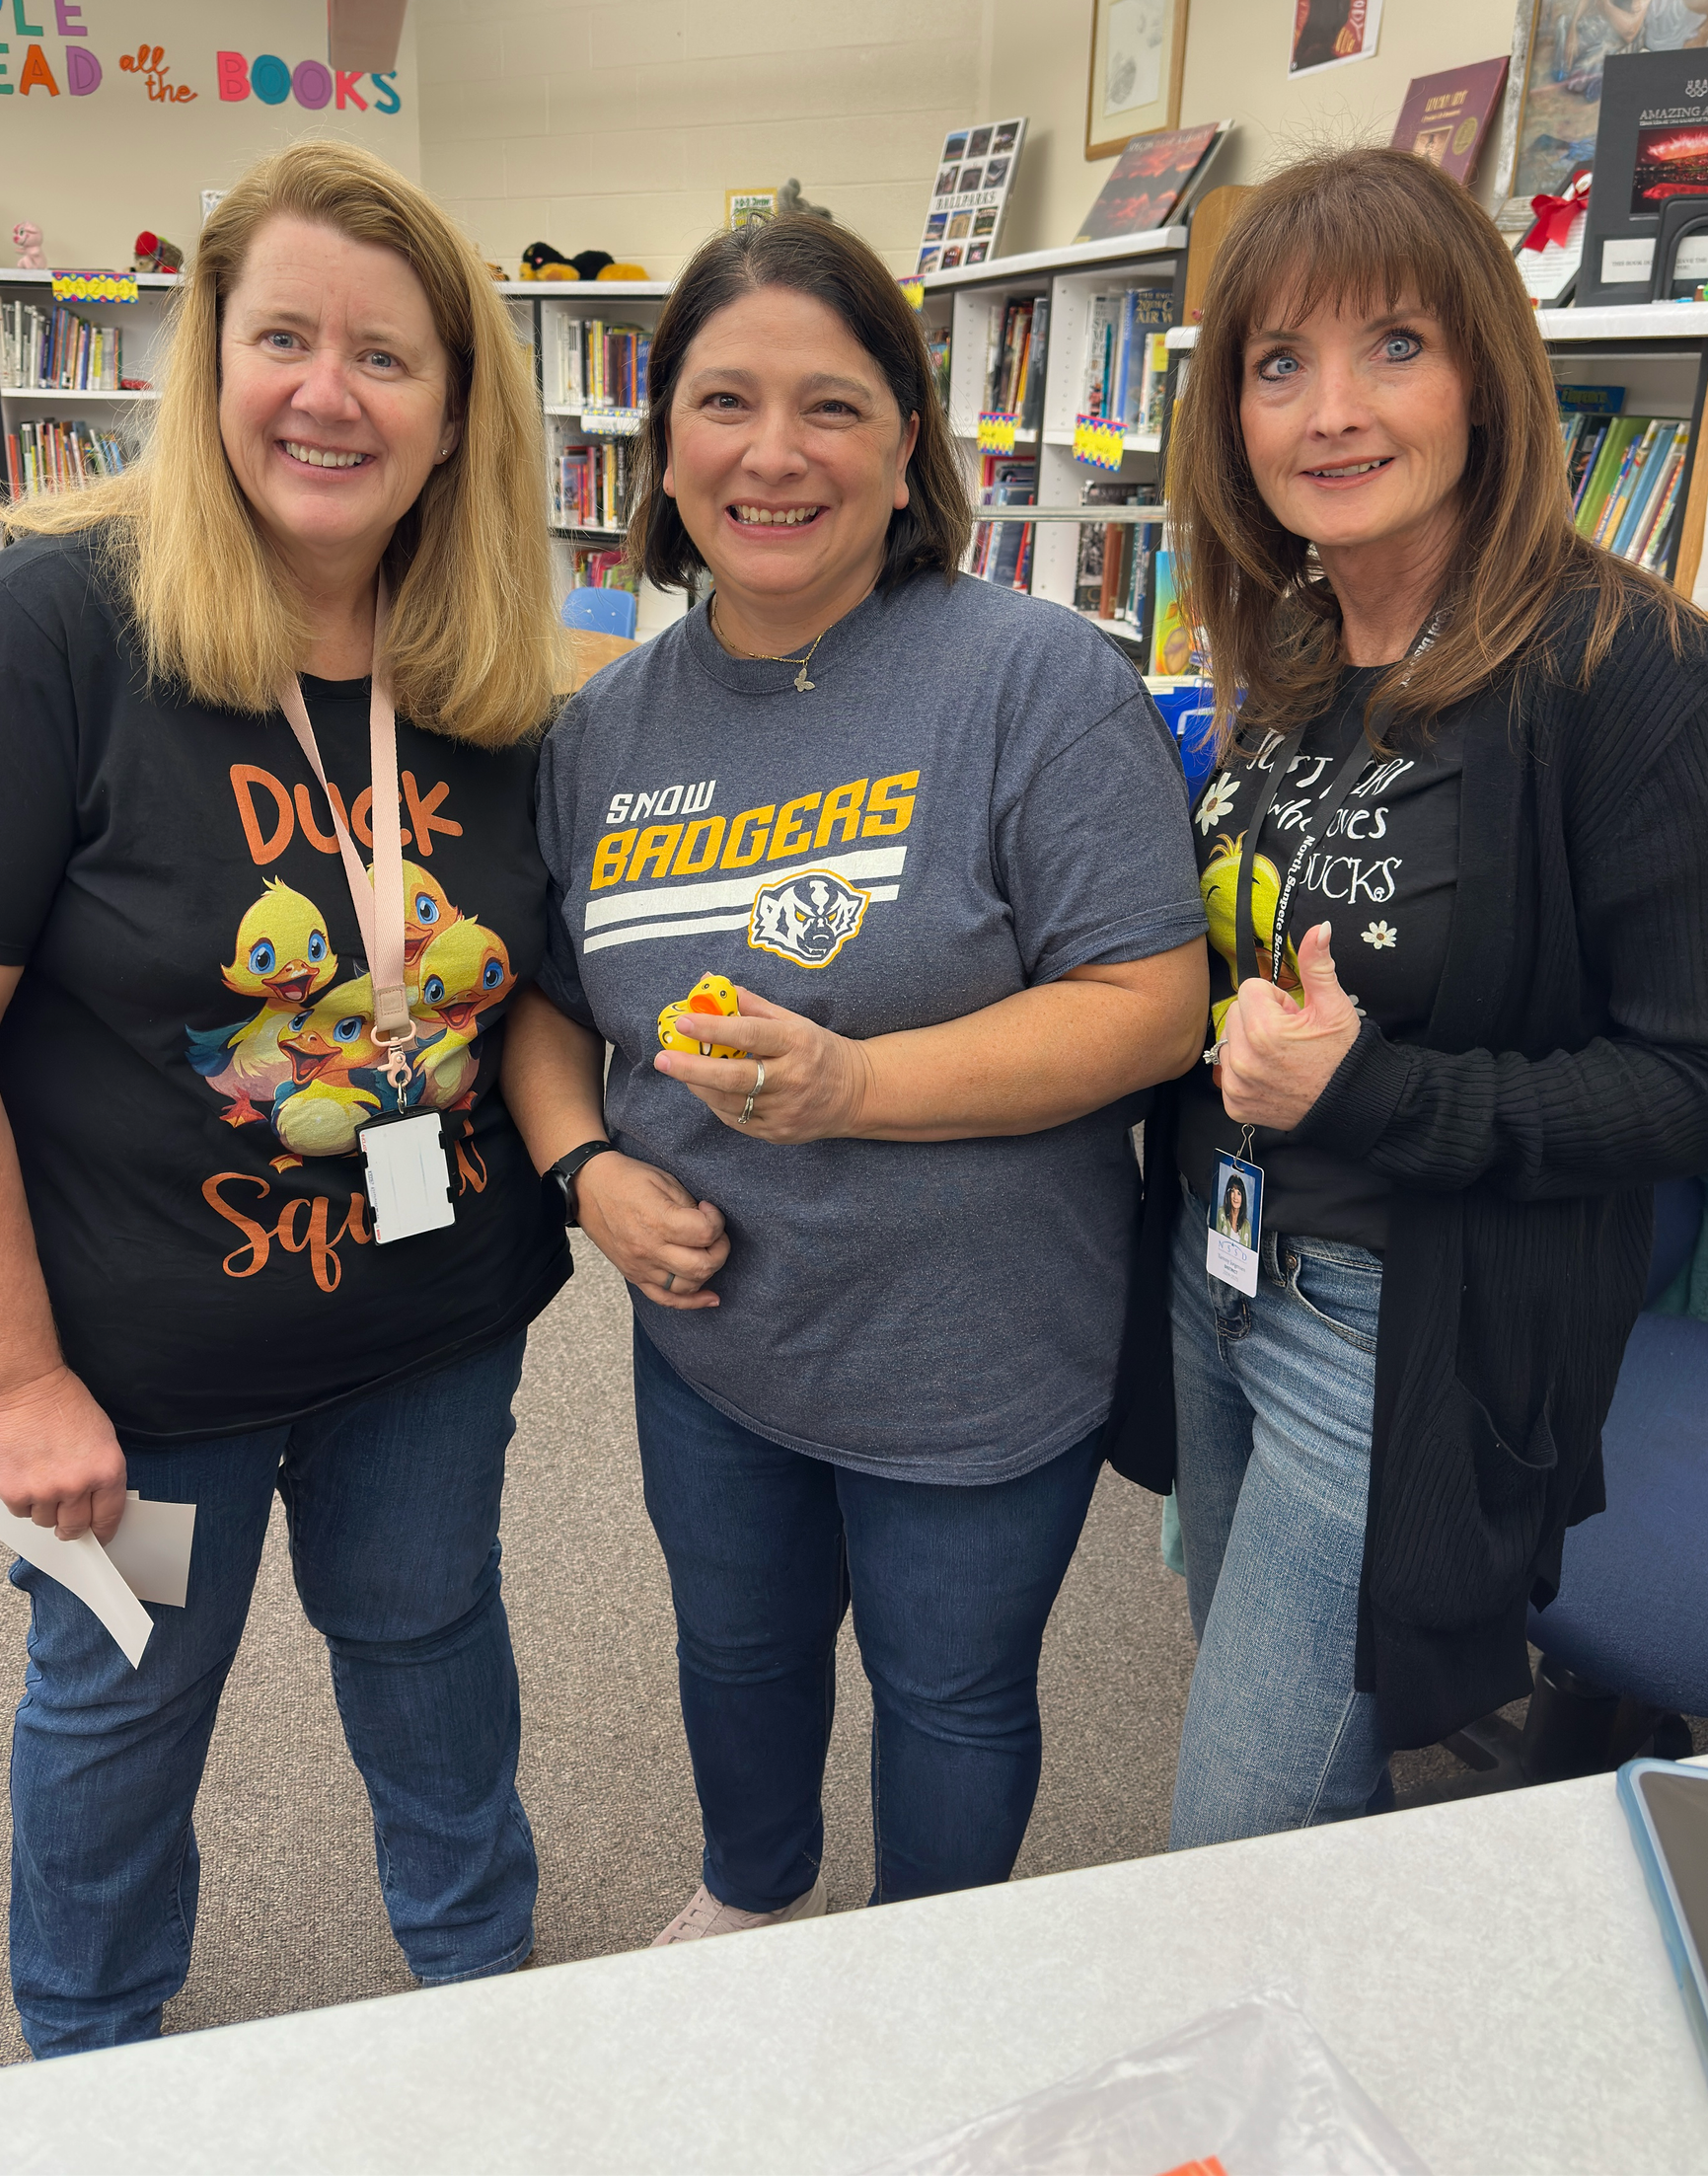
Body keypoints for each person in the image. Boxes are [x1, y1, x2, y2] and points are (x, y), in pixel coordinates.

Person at [0, 136, 570, 2052]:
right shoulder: (50, 631)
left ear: (453, 410)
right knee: (119, 1708)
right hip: (131, 1365)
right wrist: (16, 1380)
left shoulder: (494, 670)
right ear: (212, 361)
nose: (327, 391)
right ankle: (86, 2072)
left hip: (427, 1319)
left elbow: (532, 990)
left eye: (388, 355)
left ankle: (493, 2013)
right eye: (285, 338)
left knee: (433, 1653)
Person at [500, 213, 1208, 1939]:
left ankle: (926, 1979)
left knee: (951, 1695)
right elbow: (540, 997)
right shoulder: (605, 728)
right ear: (664, 452)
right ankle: (751, 1900)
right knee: (734, 1647)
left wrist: (855, 1090)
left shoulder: (1034, 681)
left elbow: (1152, 1002)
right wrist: (584, 1171)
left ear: (907, 447)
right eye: (724, 403)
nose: (773, 453)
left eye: (831, 406)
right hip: (718, 1341)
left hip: (976, 1357)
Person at [1115, 145, 1708, 1848]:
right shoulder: (1292, 653)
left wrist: (1375, 1094)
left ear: (1483, 372)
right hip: (1221, 1275)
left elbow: (1707, 1082)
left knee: (1229, 1837)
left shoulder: (1628, 670)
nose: (1333, 409)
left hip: (1401, 1329)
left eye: (1393, 343)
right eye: (1278, 363)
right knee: (1295, 1797)